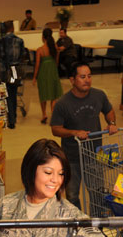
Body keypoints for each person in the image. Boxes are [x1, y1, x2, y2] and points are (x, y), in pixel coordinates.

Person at [50, 61, 118, 209]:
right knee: (72, 194)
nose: (87, 80)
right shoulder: (62, 103)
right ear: (72, 80)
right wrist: (74, 132)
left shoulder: (99, 95)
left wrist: (111, 122)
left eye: (89, 76)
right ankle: (77, 223)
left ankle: (97, 223)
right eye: (82, 76)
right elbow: (55, 129)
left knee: (97, 192)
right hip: (72, 156)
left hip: (95, 154)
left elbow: (109, 110)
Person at [0, 20, 27, 129]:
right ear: (13, 28)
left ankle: (11, 120)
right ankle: (14, 116)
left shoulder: (0, 41)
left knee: (8, 95)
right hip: (16, 70)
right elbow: (23, 55)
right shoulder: (20, 41)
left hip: (6, 71)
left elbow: (0, 56)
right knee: (14, 93)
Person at [32, 28, 63, 125]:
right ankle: (53, 114)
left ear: (43, 37)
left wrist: (34, 77)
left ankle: (44, 114)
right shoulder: (55, 48)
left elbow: (37, 65)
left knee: (43, 94)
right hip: (53, 72)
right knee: (54, 95)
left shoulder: (40, 50)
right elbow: (57, 63)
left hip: (43, 74)